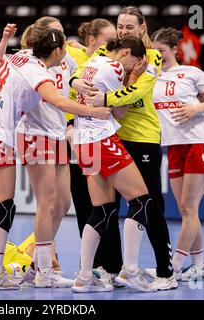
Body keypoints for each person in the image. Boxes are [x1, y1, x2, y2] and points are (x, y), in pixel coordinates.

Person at [0, 26, 110, 290]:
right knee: (6, 207)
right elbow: (59, 101)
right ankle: (5, 273)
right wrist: (95, 112)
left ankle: (4, 271)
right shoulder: (37, 70)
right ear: (56, 50)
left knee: (35, 204)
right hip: (1, 133)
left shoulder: (23, 57)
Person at [71, 6, 176, 290]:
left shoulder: (150, 55)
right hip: (108, 134)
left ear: (142, 29)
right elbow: (76, 77)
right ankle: (114, 269)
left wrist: (103, 99)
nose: (123, 31)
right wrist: (79, 84)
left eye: (130, 26)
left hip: (140, 137)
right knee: (107, 208)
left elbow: (141, 90)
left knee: (149, 204)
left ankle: (166, 271)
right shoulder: (104, 54)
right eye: (120, 25)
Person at [143, 28, 204, 281]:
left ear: (174, 51)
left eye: (163, 52)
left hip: (198, 142)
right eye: (154, 52)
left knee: (187, 207)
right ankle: (199, 264)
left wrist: (195, 108)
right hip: (174, 146)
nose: (158, 56)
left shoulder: (192, 73)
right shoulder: (149, 77)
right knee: (186, 210)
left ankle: (174, 266)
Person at [66, 19, 124, 282]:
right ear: (92, 40)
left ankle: (112, 266)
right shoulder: (74, 57)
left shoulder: (112, 65)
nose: (115, 44)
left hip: (105, 138)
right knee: (84, 206)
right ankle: (90, 266)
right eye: (109, 40)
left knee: (109, 206)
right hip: (78, 139)